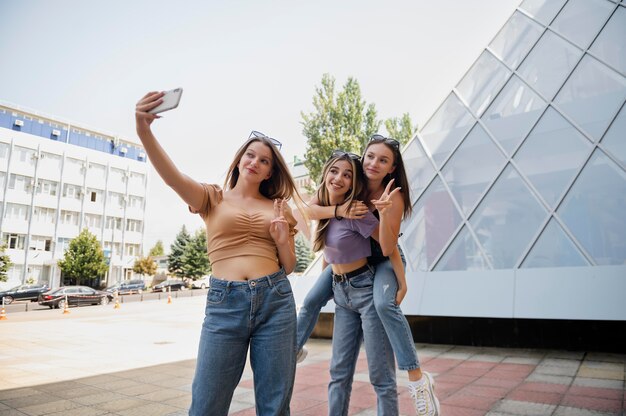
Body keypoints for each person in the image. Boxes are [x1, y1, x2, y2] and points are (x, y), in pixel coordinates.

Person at [135, 91, 303, 416]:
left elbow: (291, 265)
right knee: (207, 404)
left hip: (276, 300)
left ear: (270, 172)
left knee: (275, 405)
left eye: (264, 160)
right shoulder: (213, 198)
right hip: (226, 304)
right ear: (240, 160)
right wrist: (144, 131)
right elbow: (173, 178)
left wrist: (283, 238)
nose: (255, 162)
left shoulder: (280, 208)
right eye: (250, 155)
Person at [297, 134, 440, 415]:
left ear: (392, 167)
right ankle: (292, 350)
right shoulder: (352, 185)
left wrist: (403, 280)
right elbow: (312, 211)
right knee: (312, 300)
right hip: (348, 275)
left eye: (383, 160)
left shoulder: (393, 196)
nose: (374, 163)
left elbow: (389, 247)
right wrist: (339, 210)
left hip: (384, 261)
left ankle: (417, 378)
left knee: (384, 304)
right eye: (370, 156)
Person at [313, 150, 400, 415]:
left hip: (365, 290)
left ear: (354, 182)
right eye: (334, 172)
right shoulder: (325, 209)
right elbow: (305, 215)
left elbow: (389, 246)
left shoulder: (358, 211)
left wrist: (402, 281)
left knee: (381, 376)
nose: (339, 178)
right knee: (338, 373)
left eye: (347, 175)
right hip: (342, 294)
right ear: (326, 174)